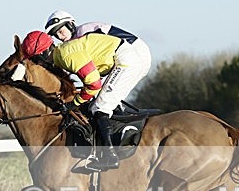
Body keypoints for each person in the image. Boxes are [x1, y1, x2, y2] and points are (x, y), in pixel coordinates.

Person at [21, 18, 151, 172]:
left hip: (126, 60)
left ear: (41, 55)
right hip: (126, 57)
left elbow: (94, 84)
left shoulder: (66, 55)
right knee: (101, 103)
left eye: (36, 60)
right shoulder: (63, 53)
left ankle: (110, 156)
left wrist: (74, 103)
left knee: (100, 107)